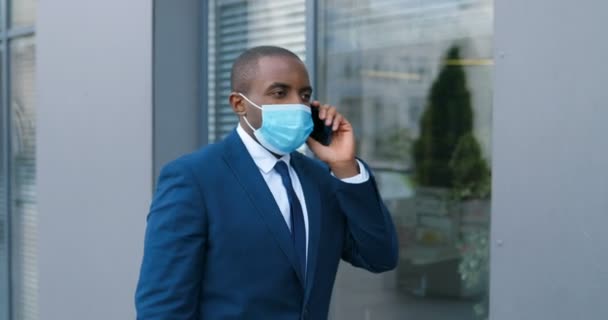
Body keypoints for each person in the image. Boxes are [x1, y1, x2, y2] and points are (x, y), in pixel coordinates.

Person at [135, 46, 398, 319]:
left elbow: (380, 257)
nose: (297, 105)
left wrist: (345, 167)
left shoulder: (322, 180)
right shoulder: (193, 179)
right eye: (280, 93)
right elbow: (163, 307)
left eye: (305, 95)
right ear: (239, 104)